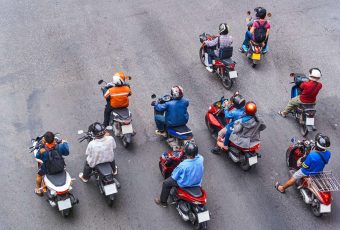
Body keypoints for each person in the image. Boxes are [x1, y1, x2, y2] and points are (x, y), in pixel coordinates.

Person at [154, 142, 204, 207]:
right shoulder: (201, 159)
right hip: (197, 182)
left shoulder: (183, 165)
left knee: (166, 183)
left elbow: (174, 175)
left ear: (187, 153)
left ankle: (163, 202)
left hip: (185, 183)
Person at [34, 131, 69, 196]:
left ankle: (39, 190)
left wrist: (42, 145)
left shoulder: (43, 150)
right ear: (54, 139)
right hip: (61, 167)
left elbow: (37, 156)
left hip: (48, 170)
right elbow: (67, 152)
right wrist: (64, 143)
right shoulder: (60, 146)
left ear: (44, 140)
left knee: (39, 175)